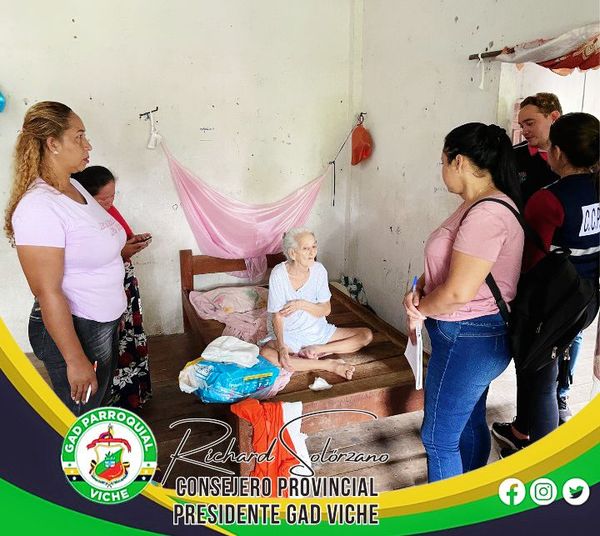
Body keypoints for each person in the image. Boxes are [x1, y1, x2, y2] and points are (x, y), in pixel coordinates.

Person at [403, 123, 524, 482]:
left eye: (442, 161)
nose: (442, 170)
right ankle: (470, 493)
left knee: (438, 439)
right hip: (467, 337)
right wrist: (420, 289)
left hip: (470, 338)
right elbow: (453, 266)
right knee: (469, 423)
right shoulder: (475, 206)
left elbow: (458, 292)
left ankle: (447, 508)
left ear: (458, 161)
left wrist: (419, 309)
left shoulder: (487, 214)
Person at [5, 101, 126, 414]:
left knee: (93, 407)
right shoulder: (38, 207)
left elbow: (89, 246)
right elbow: (47, 291)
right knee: (77, 418)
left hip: (98, 322)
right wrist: (75, 360)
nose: (88, 145)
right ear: (53, 144)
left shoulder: (73, 186)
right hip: (76, 330)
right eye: (79, 137)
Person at [492, 113, 600, 455]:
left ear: (560, 153)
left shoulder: (548, 199)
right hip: (585, 299)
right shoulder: (596, 189)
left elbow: (529, 263)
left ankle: (543, 460)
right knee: (541, 367)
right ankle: (521, 430)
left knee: (541, 381)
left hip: (550, 305)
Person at [73, 165, 153, 410]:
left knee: (128, 339)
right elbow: (87, 259)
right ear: (86, 195)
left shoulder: (107, 212)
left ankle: (134, 396)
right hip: (103, 296)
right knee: (111, 348)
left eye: (113, 196)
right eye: (103, 199)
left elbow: (118, 239)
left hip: (123, 284)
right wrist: (122, 252)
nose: (109, 203)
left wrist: (132, 242)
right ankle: (111, 404)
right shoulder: (81, 217)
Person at [260, 228, 373, 379]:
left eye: (314, 246)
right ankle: (328, 365)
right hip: (290, 334)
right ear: (292, 253)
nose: (312, 252)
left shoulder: (319, 270)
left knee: (366, 335)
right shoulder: (278, 274)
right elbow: (277, 317)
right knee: (267, 353)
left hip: (318, 331)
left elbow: (326, 310)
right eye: (306, 248)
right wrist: (281, 347)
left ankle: (319, 350)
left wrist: (301, 304)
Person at [514, 92, 562, 205]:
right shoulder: (513, 156)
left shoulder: (575, 155)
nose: (524, 131)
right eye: (522, 126)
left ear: (554, 117)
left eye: (530, 123)